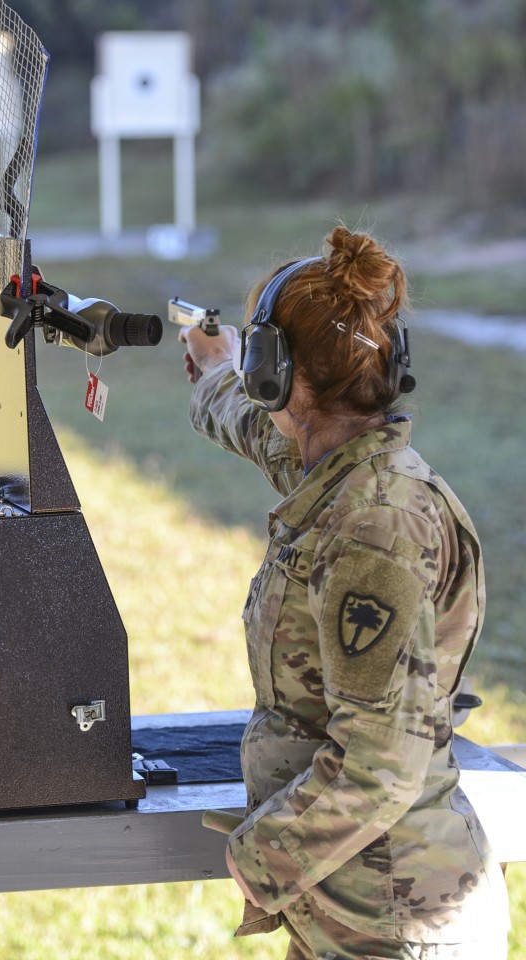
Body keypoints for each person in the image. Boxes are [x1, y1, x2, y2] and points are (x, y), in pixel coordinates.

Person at [178, 225, 509, 960]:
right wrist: (214, 373)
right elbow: (260, 431)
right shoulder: (340, 473)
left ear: (278, 377)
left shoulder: (373, 530)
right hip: (350, 913)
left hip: (396, 927)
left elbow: (378, 766)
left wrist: (255, 859)